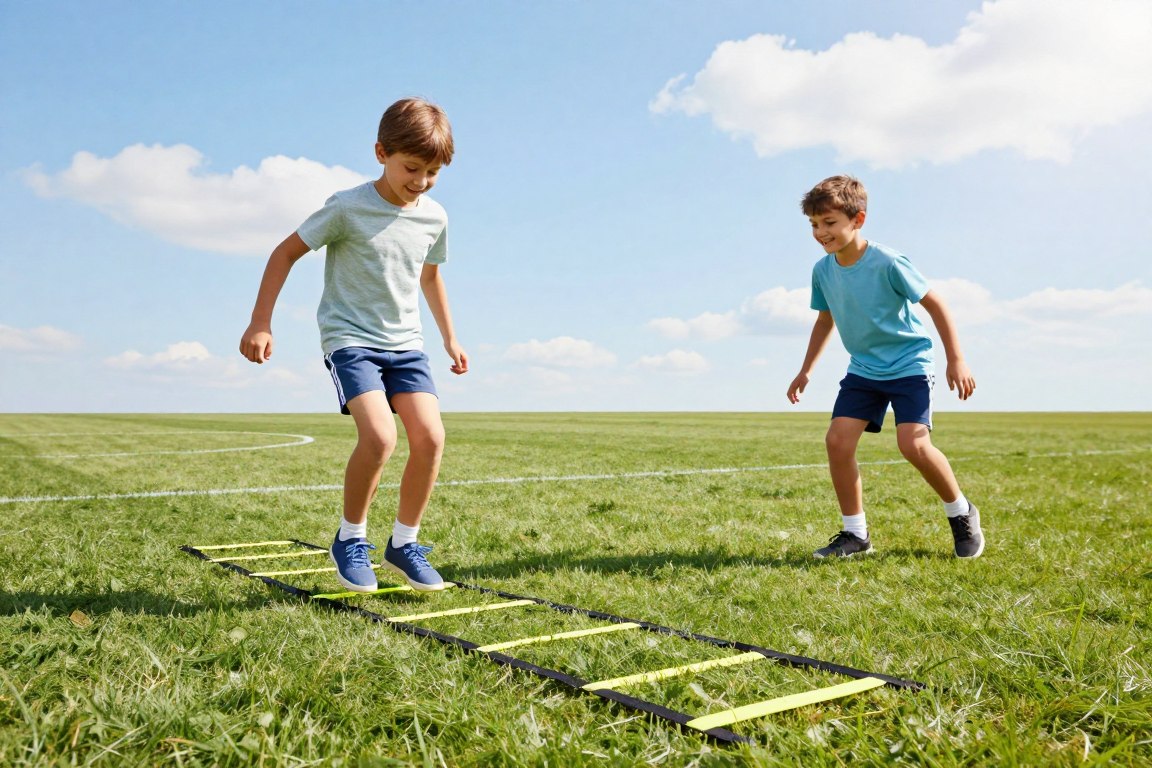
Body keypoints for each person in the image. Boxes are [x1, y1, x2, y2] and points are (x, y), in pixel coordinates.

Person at [240, 98, 468, 592]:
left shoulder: (435, 216)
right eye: (411, 167)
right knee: (381, 437)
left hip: (407, 344)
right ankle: (351, 538)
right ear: (381, 152)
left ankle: (404, 543)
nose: (421, 181)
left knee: (430, 439)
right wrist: (261, 321)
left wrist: (450, 337)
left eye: (432, 172)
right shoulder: (347, 207)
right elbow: (285, 252)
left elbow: (430, 276)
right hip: (351, 340)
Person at [786, 175, 984, 559]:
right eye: (814, 224)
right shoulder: (822, 271)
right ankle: (856, 535)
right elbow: (825, 319)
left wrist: (955, 359)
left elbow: (936, 304)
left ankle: (961, 512)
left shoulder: (888, 261)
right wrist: (806, 369)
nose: (820, 232)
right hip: (864, 370)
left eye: (829, 223)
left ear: (857, 220)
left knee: (912, 444)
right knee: (837, 442)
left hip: (909, 363)